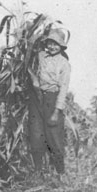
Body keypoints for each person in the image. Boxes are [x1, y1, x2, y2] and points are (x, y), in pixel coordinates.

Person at [28, 28, 71, 177]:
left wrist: (56, 111)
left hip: (52, 100)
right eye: (50, 43)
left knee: (54, 137)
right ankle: (37, 171)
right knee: (36, 134)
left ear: (62, 46)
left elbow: (63, 89)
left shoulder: (64, 64)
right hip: (37, 98)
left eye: (56, 44)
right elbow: (29, 52)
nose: (52, 47)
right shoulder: (41, 55)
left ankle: (60, 173)